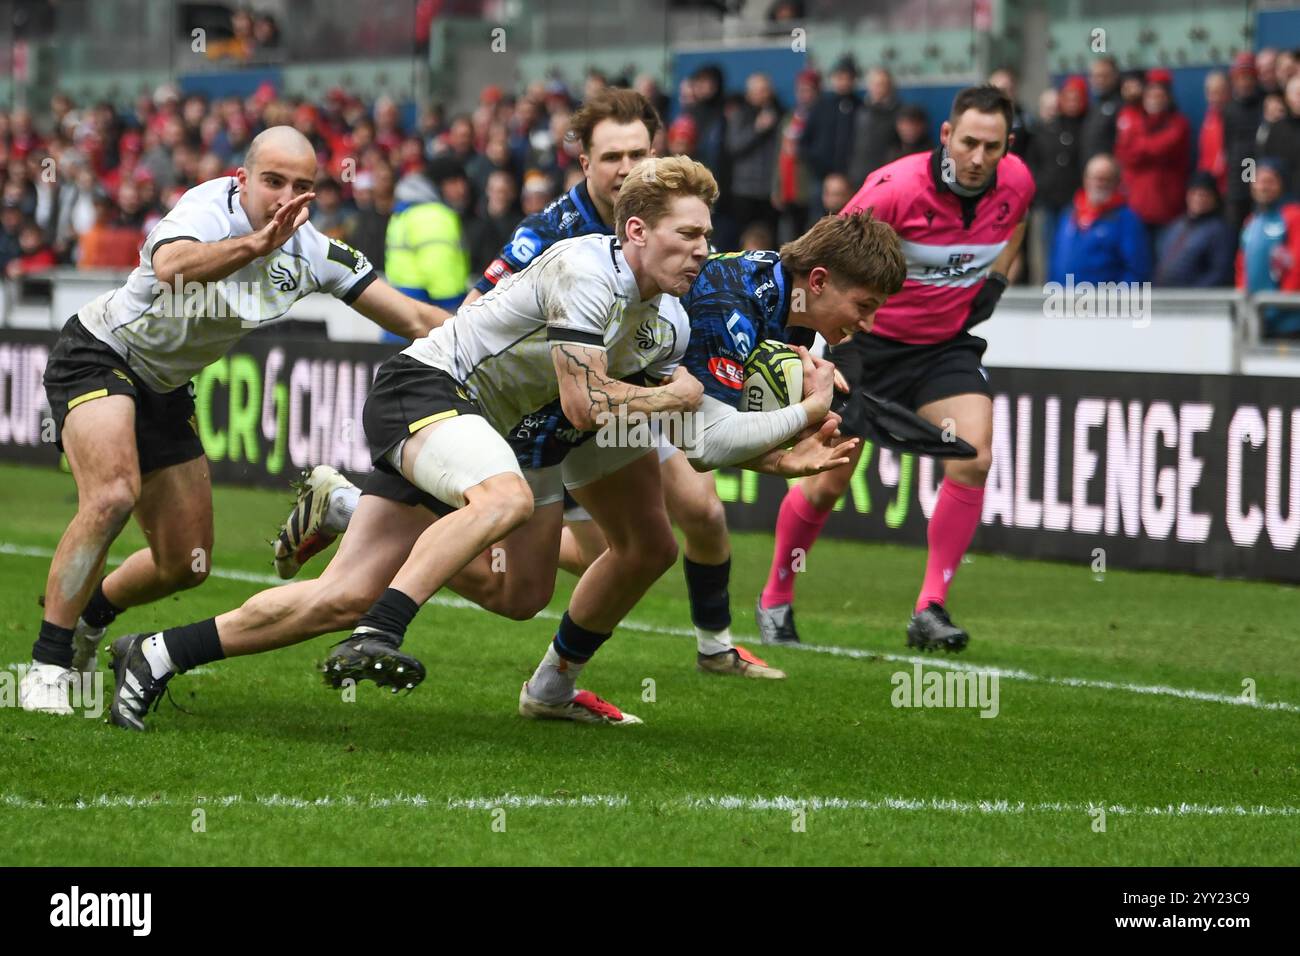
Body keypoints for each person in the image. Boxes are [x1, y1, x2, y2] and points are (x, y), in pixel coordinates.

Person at [105, 157, 857, 730]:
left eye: (707, 237)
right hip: (426, 390)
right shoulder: (586, 270)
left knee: (438, 594)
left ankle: (160, 653)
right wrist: (676, 396)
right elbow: (586, 403)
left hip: (488, 427)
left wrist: (789, 436)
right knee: (498, 499)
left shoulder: (672, 323)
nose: (702, 251)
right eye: (688, 235)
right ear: (636, 232)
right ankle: (384, 630)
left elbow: (701, 440)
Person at [18, 127, 446, 715]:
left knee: (185, 563)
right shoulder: (207, 207)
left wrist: (495, 336)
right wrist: (256, 245)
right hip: (100, 354)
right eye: (273, 181)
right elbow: (171, 266)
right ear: (242, 180)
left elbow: (416, 315)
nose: (285, 197)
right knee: (114, 494)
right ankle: (47, 664)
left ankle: (93, 621)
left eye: (302, 186)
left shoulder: (312, 251)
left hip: (166, 389)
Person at [757, 85, 1034, 653]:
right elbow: (822, 257)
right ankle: (775, 598)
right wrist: (808, 344)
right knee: (830, 475)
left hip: (943, 347)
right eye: (971, 143)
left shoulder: (1018, 182)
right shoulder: (894, 189)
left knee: (974, 454)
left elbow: (1019, 219)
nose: (980, 158)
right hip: (865, 342)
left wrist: (1000, 276)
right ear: (947, 136)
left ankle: (930, 607)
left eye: (994, 146)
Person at [1049, 153, 1150, 285]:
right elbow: (1056, 258)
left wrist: (1115, 301)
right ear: (1085, 179)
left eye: (1106, 179)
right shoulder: (1070, 213)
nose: (1099, 184)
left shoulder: (1126, 219)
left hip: (1103, 302)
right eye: (1095, 178)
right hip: (1062, 299)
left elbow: (1137, 270)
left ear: (1117, 182)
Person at [1237, 159, 1300, 337]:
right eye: (1258, 181)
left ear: (1282, 184)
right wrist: (1245, 300)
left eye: (1270, 181)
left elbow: (1297, 267)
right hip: (1256, 316)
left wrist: (1278, 305)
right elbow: (1242, 266)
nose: (1263, 186)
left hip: (1288, 320)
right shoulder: (1251, 221)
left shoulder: (1293, 216)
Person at [1153, 172, 1235, 287]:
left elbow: (1220, 273)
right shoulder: (1176, 225)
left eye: (1204, 195)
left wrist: (1193, 295)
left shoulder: (1220, 231)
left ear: (1215, 198)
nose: (1198, 199)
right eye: (1194, 193)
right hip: (1165, 296)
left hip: (1193, 300)